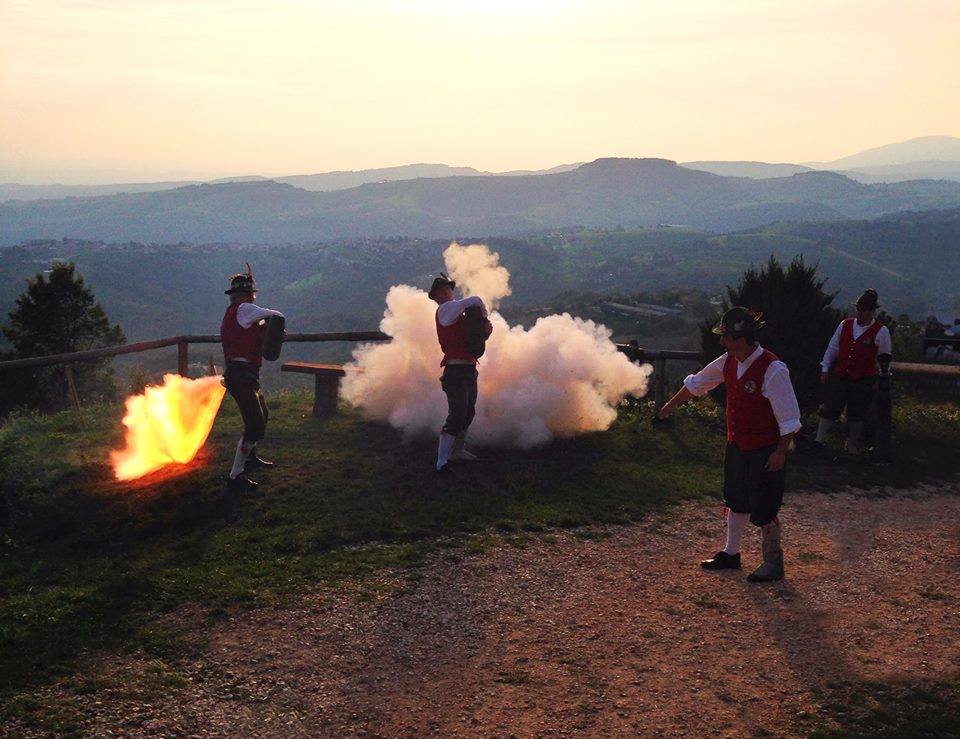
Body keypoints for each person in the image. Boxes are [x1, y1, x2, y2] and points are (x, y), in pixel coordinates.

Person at [656, 307, 801, 583]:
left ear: (742, 339)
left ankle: (773, 562)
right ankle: (731, 554)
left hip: (765, 448)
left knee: (765, 504)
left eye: (726, 337)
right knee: (736, 498)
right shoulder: (728, 361)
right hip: (737, 444)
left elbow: (789, 418)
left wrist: (780, 452)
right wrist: (668, 407)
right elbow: (699, 383)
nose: (722, 342)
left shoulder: (773, 369)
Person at [220, 267, 284, 491]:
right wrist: (273, 332)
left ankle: (250, 458)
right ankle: (235, 476)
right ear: (249, 294)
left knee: (261, 415)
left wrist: (265, 332)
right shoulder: (246, 309)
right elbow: (277, 315)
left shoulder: (233, 312)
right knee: (255, 424)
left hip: (243, 374)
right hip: (241, 375)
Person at [814, 289, 892, 456]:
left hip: (863, 379)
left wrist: (881, 379)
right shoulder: (845, 325)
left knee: (857, 413)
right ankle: (818, 441)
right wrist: (825, 368)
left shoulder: (881, 331)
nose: (859, 313)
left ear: (871, 311)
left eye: (863, 310)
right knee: (830, 408)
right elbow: (832, 348)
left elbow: (884, 358)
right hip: (841, 375)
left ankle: (851, 445)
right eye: (858, 309)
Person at [428, 273, 492, 472]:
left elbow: (472, 343)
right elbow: (475, 300)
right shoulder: (445, 310)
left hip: (468, 368)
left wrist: (484, 333)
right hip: (455, 371)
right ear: (436, 297)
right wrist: (484, 317)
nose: (446, 292)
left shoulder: (456, 314)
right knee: (457, 415)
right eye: (442, 291)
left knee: (468, 412)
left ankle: (457, 451)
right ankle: (441, 463)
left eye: (448, 289)